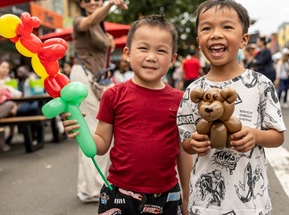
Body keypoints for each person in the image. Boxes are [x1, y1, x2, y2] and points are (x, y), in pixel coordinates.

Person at [62, 15, 193, 214]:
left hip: (166, 195)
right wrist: (80, 129)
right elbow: (102, 145)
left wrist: (188, 195)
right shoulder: (113, 95)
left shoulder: (181, 99)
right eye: (143, 48)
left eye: (161, 50)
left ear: (173, 59)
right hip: (119, 194)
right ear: (128, 53)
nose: (151, 56)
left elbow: (183, 151)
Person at [177, 0, 286, 215]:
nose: (216, 33)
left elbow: (278, 136)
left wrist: (255, 135)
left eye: (227, 26)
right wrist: (194, 143)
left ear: (244, 39)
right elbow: (185, 142)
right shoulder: (193, 91)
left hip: (250, 203)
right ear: (199, 40)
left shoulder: (260, 84)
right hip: (204, 201)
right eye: (207, 28)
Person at [70, 0, 130, 202]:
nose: (92, 2)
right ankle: (92, 189)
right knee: (94, 133)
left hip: (96, 81)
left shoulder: (101, 28)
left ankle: (92, 185)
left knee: (100, 131)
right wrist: (111, 3)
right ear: (81, 4)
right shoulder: (80, 22)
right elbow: (90, 20)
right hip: (83, 80)